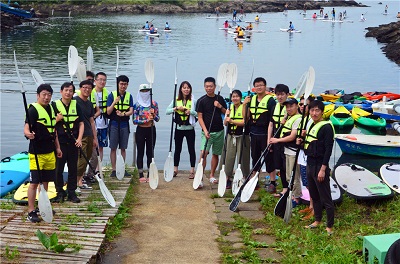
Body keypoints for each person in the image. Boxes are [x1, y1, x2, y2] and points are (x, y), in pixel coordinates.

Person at [24, 84, 62, 222]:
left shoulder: (52, 108)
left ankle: (42, 206)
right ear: (38, 95)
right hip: (37, 152)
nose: (46, 97)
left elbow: (54, 131)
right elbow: (26, 126)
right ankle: (31, 210)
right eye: (44, 94)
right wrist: (28, 134)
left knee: (45, 182)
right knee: (34, 182)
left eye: (49, 95)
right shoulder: (33, 110)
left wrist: (57, 148)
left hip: (49, 151)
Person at [298, 100, 335, 235]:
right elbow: (308, 147)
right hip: (310, 164)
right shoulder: (311, 125)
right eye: (312, 110)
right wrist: (301, 142)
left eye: (317, 111)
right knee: (314, 195)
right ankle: (317, 220)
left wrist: (323, 169)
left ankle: (330, 226)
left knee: (326, 198)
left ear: (322, 112)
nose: (314, 113)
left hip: (320, 165)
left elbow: (328, 150)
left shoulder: (326, 127)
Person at [52, 82, 83, 204]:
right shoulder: (54, 105)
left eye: (70, 91)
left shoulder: (77, 105)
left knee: (73, 168)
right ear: (61, 91)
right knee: (58, 168)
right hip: (60, 142)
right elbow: (51, 125)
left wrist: (80, 139)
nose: (68, 93)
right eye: (66, 90)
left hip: (73, 141)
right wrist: (57, 119)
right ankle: (59, 191)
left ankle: (71, 192)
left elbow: (81, 123)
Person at [243, 77, 276, 186]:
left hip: (265, 133)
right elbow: (245, 117)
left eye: (261, 85)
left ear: (265, 86)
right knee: (255, 157)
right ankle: (254, 180)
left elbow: (273, 120)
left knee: (269, 158)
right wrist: (244, 105)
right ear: (254, 88)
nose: (259, 87)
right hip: (254, 133)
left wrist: (270, 138)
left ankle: (272, 182)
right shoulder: (251, 99)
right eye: (257, 86)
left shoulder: (270, 101)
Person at [270, 98, 302, 207]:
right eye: (287, 107)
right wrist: (282, 122)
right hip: (286, 150)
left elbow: (292, 136)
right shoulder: (289, 117)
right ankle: (292, 194)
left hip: (293, 152)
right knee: (288, 175)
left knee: (294, 176)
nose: (288, 109)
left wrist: (277, 140)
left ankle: (296, 198)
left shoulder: (298, 119)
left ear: (296, 106)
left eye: (291, 106)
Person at [196, 77, 227, 187]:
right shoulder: (201, 101)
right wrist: (205, 130)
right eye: (206, 86)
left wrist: (220, 106)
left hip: (219, 131)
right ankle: (199, 177)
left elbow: (226, 112)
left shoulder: (220, 98)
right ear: (204, 87)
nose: (208, 88)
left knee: (216, 154)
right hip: (207, 132)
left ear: (215, 86)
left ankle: (212, 176)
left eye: (211, 86)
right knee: (203, 153)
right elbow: (200, 117)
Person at [166, 81, 197, 179]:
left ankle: (192, 170)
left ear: (190, 89)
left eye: (188, 88)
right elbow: (167, 111)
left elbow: (198, 114)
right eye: (184, 88)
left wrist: (190, 111)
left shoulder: (193, 101)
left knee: (191, 149)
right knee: (177, 149)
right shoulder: (176, 100)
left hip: (189, 128)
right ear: (181, 89)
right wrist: (175, 108)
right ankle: (175, 169)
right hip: (179, 128)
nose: (186, 89)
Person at [106, 75, 134, 178]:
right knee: (113, 147)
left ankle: (122, 168)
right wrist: (114, 102)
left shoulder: (129, 96)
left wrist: (124, 114)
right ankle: (114, 169)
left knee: (123, 147)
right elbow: (108, 111)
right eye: (121, 84)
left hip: (124, 124)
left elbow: (131, 111)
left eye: (125, 84)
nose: (123, 86)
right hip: (114, 124)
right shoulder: (112, 95)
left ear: (127, 85)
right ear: (118, 84)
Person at [132, 84, 160, 182]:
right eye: (143, 91)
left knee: (150, 152)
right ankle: (140, 174)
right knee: (140, 151)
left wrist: (154, 114)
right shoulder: (137, 105)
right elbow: (134, 121)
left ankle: (149, 173)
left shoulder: (154, 104)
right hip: (141, 130)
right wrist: (146, 119)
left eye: (147, 91)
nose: (145, 93)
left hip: (151, 130)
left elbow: (157, 119)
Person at [223, 90, 250, 189]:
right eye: (233, 97)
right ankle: (227, 177)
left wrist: (232, 121)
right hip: (231, 136)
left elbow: (244, 122)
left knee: (243, 157)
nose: (235, 98)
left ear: (240, 98)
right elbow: (225, 124)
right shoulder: (230, 107)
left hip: (242, 136)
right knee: (229, 157)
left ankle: (245, 176)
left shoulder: (245, 107)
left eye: (237, 96)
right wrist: (227, 117)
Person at [74, 80, 98, 191]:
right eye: (84, 87)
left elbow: (92, 121)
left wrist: (95, 138)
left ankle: (80, 180)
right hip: (79, 134)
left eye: (89, 88)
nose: (87, 90)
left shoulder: (89, 104)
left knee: (87, 157)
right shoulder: (75, 101)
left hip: (89, 133)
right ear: (80, 88)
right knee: (81, 159)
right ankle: (76, 182)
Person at [86, 72, 109, 182]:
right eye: (100, 80)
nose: (102, 82)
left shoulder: (107, 93)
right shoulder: (90, 92)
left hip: (103, 124)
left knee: (100, 148)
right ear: (95, 81)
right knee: (91, 149)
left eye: (104, 80)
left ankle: (97, 170)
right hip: (93, 125)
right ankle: (88, 170)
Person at [267, 84, 289, 195]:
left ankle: (288, 188)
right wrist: (269, 140)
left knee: (287, 166)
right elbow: (271, 125)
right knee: (280, 165)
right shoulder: (274, 107)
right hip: (276, 141)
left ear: (287, 95)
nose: (280, 97)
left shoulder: (290, 107)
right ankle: (284, 187)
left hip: (288, 141)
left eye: (282, 95)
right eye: (278, 95)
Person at [298, 95, 315, 220]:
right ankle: (310, 205)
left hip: (309, 157)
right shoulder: (302, 119)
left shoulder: (311, 121)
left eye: (305, 104)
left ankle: (314, 209)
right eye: (301, 104)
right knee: (306, 182)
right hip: (301, 156)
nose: (302, 106)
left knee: (311, 184)